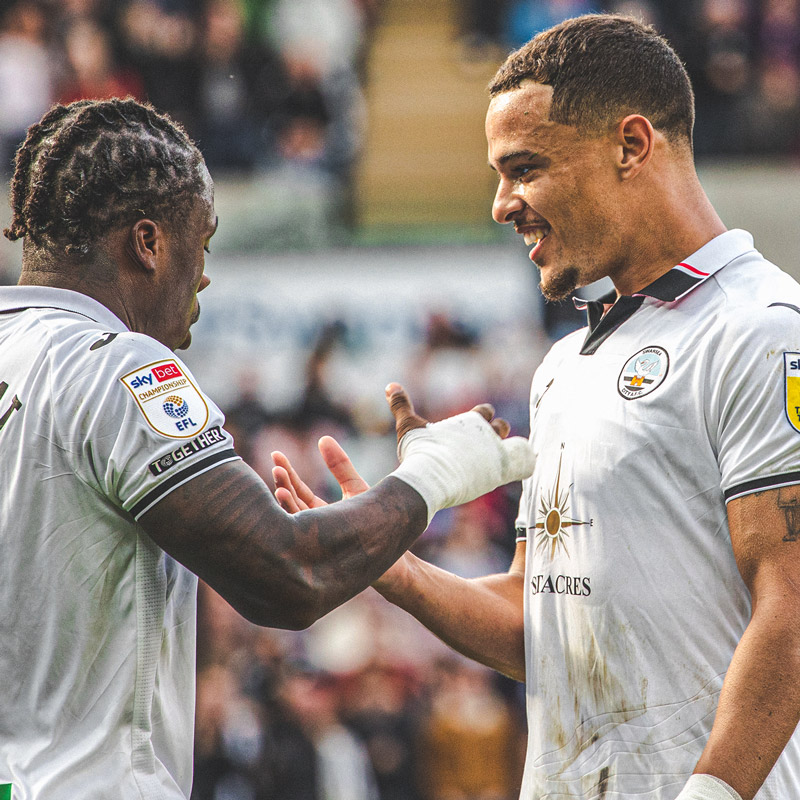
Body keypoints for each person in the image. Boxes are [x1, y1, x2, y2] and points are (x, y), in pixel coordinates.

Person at [273, 14, 800, 800]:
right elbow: (540, 623)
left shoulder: (761, 329)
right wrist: (393, 564)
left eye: (523, 168)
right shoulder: (562, 367)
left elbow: (791, 606)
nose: (500, 202)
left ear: (632, 144)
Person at [0, 97, 534, 800]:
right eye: (204, 243)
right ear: (149, 243)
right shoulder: (117, 366)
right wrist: (434, 474)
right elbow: (289, 573)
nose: (206, 275)